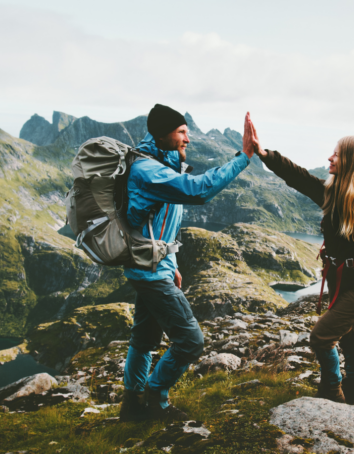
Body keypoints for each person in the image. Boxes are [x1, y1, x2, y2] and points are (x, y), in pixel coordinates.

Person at [243, 114, 354, 405]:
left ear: (353, 161)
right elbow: (298, 176)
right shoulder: (332, 193)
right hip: (337, 277)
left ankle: (332, 390)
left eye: (337, 154)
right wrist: (263, 153)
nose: (330, 158)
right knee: (348, 336)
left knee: (321, 337)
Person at [120, 105, 255, 422]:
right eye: (181, 132)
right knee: (191, 342)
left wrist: (173, 262)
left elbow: (162, 224)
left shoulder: (162, 166)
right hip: (150, 273)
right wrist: (244, 156)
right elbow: (199, 190)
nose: (187, 138)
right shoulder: (147, 170)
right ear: (161, 134)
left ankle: (131, 406)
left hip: (152, 267)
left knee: (144, 340)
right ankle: (155, 398)